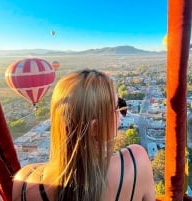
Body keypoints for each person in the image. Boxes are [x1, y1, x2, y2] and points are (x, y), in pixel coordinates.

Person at [12, 69, 155, 201]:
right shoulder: (136, 161)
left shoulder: (24, 180)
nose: (122, 114)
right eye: (119, 106)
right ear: (95, 127)